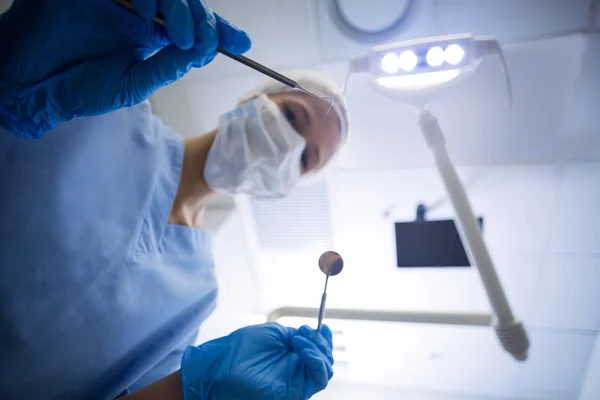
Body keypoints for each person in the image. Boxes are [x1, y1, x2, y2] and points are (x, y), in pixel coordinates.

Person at [0, 0, 350, 399]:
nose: (289, 147)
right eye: (291, 118)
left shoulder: (197, 292)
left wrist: (189, 390)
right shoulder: (108, 109)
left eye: (306, 159)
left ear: (294, 184)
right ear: (254, 95)